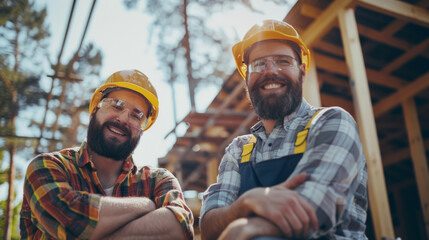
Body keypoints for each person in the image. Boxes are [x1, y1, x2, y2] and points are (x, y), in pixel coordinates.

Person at [200, 20, 368, 240]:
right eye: (259, 64)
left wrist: (245, 228)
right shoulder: (238, 151)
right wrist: (246, 203)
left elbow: (315, 206)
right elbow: (209, 227)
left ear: (302, 72)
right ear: (247, 79)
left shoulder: (332, 121)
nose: (270, 71)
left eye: (283, 61)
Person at [20, 69, 194, 239]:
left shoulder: (158, 181)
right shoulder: (48, 166)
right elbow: (70, 221)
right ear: (94, 112)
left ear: (141, 130)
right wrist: (145, 205)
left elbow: (180, 228)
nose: (124, 118)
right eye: (116, 105)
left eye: (136, 115)